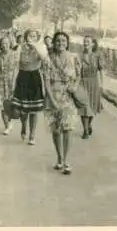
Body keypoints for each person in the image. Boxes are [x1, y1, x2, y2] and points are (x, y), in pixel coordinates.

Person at [43, 31, 80, 175]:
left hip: (68, 96)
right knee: (56, 129)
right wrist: (52, 100)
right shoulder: (48, 59)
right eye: (58, 41)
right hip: (53, 95)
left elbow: (78, 75)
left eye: (64, 41)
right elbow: (46, 81)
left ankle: (66, 160)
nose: (61, 43)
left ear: (67, 42)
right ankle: (59, 157)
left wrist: (75, 86)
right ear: (54, 42)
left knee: (68, 128)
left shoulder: (73, 58)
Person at [11, 29, 48, 145]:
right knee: (22, 109)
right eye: (30, 36)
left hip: (34, 78)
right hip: (22, 77)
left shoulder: (41, 47)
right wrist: (12, 83)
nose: (32, 38)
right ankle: (23, 125)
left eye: (34, 36)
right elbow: (15, 64)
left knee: (34, 110)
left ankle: (32, 135)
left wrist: (35, 46)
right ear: (26, 37)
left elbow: (44, 58)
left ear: (37, 38)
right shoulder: (20, 48)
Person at [0, 36, 19, 135]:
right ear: (0, 45)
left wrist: (15, 81)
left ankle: (11, 121)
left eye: (7, 43)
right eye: (3, 44)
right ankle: (7, 126)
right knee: (2, 105)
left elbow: (16, 69)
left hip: (12, 80)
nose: (5, 45)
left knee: (11, 104)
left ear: (10, 44)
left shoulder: (15, 55)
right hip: (0, 82)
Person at [79, 35, 105, 139]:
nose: (85, 43)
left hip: (94, 82)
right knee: (83, 107)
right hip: (82, 82)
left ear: (93, 44)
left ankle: (88, 124)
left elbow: (101, 71)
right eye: (84, 42)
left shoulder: (97, 56)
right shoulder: (79, 56)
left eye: (87, 42)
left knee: (92, 106)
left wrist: (102, 85)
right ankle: (85, 130)